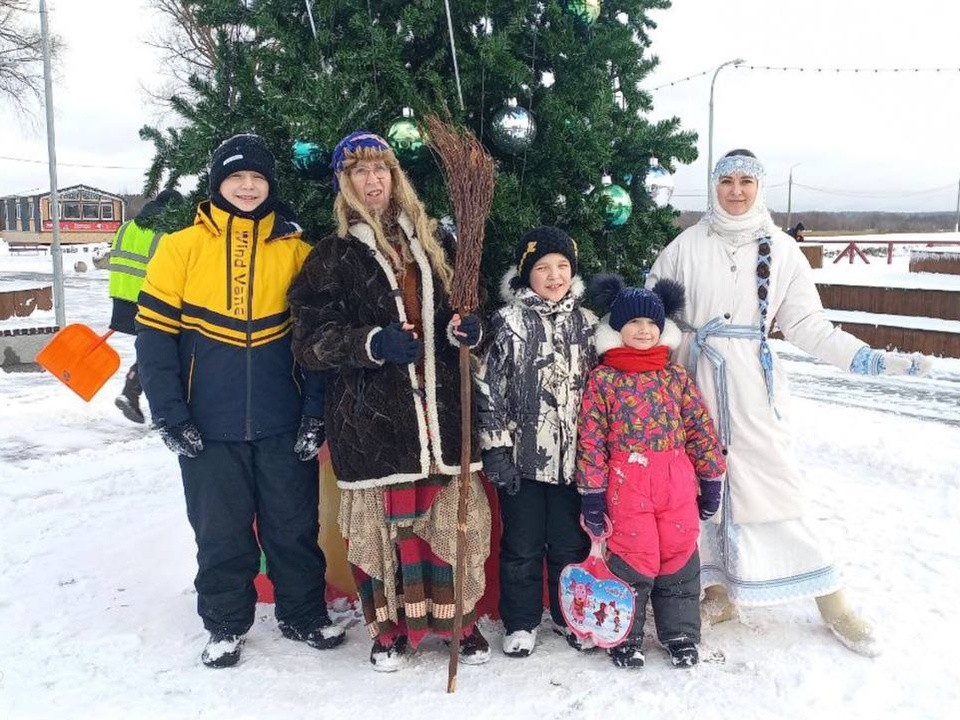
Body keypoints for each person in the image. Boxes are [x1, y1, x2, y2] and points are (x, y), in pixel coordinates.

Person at [647, 149, 932, 657]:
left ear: (760, 188)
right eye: (727, 181)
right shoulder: (684, 246)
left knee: (774, 484)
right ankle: (717, 590)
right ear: (715, 186)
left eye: (746, 182)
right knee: (700, 487)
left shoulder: (780, 250)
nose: (735, 190)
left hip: (753, 387)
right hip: (693, 382)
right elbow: (653, 316)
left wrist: (866, 359)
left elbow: (807, 325)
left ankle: (831, 597)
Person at [136, 133, 343, 668]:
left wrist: (315, 410)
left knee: (294, 528)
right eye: (236, 177)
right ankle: (225, 624)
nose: (247, 187)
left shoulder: (298, 252)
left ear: (269, 186)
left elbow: (317, 344)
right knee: (220, 532)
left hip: (283, 422)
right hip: (206, 426)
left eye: (257, 178)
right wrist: (169, 415)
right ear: (217, 184)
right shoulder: (179, 249)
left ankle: (303, 615)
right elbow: (154, 343)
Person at [287, 130, 491, 672]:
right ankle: (389, 633)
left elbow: (466, 314)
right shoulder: (331, 257)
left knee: (451, 527)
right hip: (374, 422)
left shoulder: (434, 244)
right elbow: (309, 340)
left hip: (442, 417)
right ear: (345, 183)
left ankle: (460, 627)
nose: (372, 180)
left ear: (395, 176)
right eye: (360, 172)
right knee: (384, 535)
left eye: (380, 170)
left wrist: (467, 330)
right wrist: (372, 343)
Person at [576, 275, 726, 669]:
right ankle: (623, 634)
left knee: (678, 555)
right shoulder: (604, 379)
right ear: (617, 328)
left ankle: (680, 633)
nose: (643, 330)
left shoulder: (674, 376)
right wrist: (592, 494)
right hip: (626, 486)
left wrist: (710, 479)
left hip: (676, 483)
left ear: (662, 329)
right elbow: (590, 438)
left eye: (651, 324)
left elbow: (699, 428)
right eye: (633, 323)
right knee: (632, 557)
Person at [475, 226, 597, 658]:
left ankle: (569, 617)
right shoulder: (507, 324)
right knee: (522, 546)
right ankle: (521, 622)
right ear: (526, 274)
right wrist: (495, 449)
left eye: (562, 266)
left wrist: (597, 453)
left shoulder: (588, 325)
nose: (554, 275)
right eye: (542, 267)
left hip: (574, 464)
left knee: (570, 545)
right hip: (522, 463)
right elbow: (487, 387)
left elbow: (600, 392)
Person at [108, 189, 182, 423]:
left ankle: (134, 393)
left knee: (150, 348)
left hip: (120, 296)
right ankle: (138, 394)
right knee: (163, 350)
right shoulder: (166, 232)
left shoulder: (127, 226)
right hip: (149, 298)